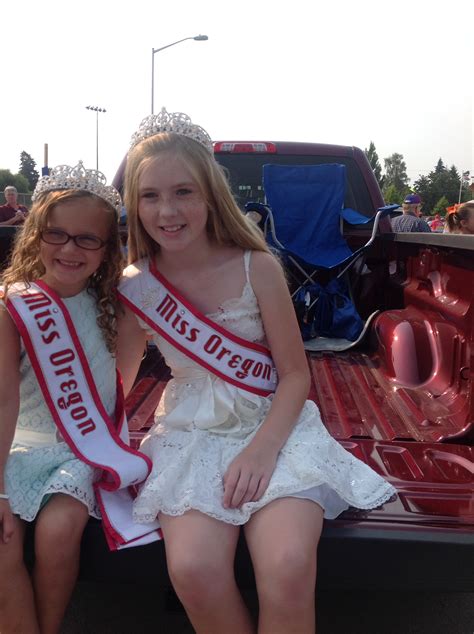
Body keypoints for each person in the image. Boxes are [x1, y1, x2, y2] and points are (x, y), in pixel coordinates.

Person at [117, 109, 396, 634]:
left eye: (184, 192)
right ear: (134, 203)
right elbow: (118, 383)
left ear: (209, 195)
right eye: (150, 195)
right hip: (190, 434)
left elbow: (295, 375)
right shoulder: (135, 285)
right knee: (195, 571)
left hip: (273, 428)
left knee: (288, 566)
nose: (167, 210)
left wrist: (262, 450)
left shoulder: (256, 265)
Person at [0, 162, 158, 634]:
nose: (70, 249)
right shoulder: (13, 303)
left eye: (88, 239)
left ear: (108, 249)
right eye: (57, 235)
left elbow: (120, 386)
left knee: (59, 531)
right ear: (35, 236)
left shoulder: (115, 303)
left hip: (78, 449)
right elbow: (4, 400)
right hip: (17, 443)